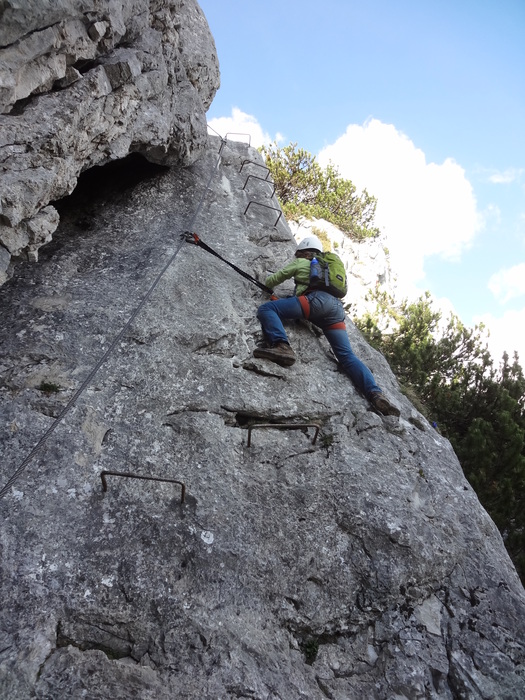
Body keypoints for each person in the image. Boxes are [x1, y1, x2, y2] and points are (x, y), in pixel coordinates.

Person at [254, 235, 400, 417]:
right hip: (336, 310)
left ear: (302, 252)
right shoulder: (326, 267)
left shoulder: (301, 262)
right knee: (347, 356)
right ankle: (375, 393)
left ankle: (281, 346)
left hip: (315, 303)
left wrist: (265, 283)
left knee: (267, 309)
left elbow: (272, 280)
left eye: (298, 253)